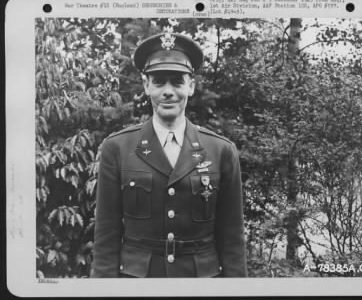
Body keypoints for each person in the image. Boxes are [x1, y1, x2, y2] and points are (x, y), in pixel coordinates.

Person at [91, 32, 247, 278]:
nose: (168, 91)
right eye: (159, 81)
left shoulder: (221, 151)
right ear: (146, 86)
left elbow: (232, 239)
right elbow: (106, 237)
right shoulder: (118, 148)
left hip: (201, 282)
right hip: (137, 283)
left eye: (177, 81)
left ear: (191, 86)